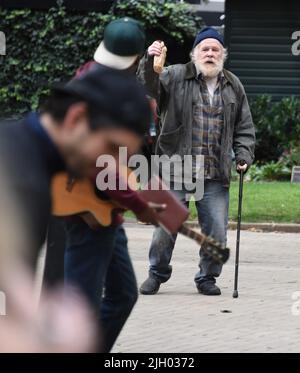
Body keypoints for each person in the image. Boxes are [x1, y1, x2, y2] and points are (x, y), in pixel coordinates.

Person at [0, 66, 152, 351]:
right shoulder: (22, 179)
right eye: (111, 147)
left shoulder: (22, 152)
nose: (112, 166)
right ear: (76, 118)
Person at [43, 17, 164, 353]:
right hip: (86, 212)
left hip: (103, 210)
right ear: (137, 58)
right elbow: (101, 167)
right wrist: (139, 204)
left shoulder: (86, 76)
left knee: (123, 294)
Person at [138, 27, 256, 296]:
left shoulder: (233, 85)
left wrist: (243, 155)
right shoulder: (175, 75)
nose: (210, 53)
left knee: (217, 232)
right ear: (195, 54)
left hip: (214, 172)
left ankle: (207, 277)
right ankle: (156, 273)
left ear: (223, 54)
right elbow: (148, 84)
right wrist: (149, 59)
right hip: (175, 168)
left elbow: (244, 127)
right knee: (164, 228)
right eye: (205, 49)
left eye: (215, 49)